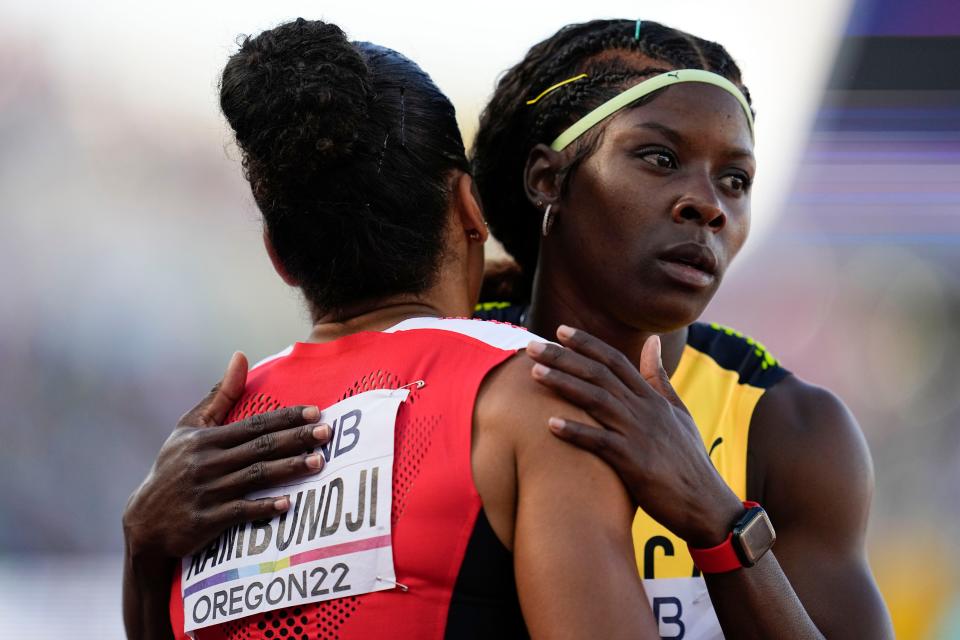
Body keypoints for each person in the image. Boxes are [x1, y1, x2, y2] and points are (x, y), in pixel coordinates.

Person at [122, 18, 658, 640]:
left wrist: (142, 558)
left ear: (279, 256)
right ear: (468, 207)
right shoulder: (537, 395)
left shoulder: (207, 450)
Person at [470, 18, 893, 638]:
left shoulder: (790, 430)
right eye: (660, 158)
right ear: (547, 179)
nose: (709, 205)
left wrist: (716, 518)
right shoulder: (429, 375)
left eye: (735, 180)